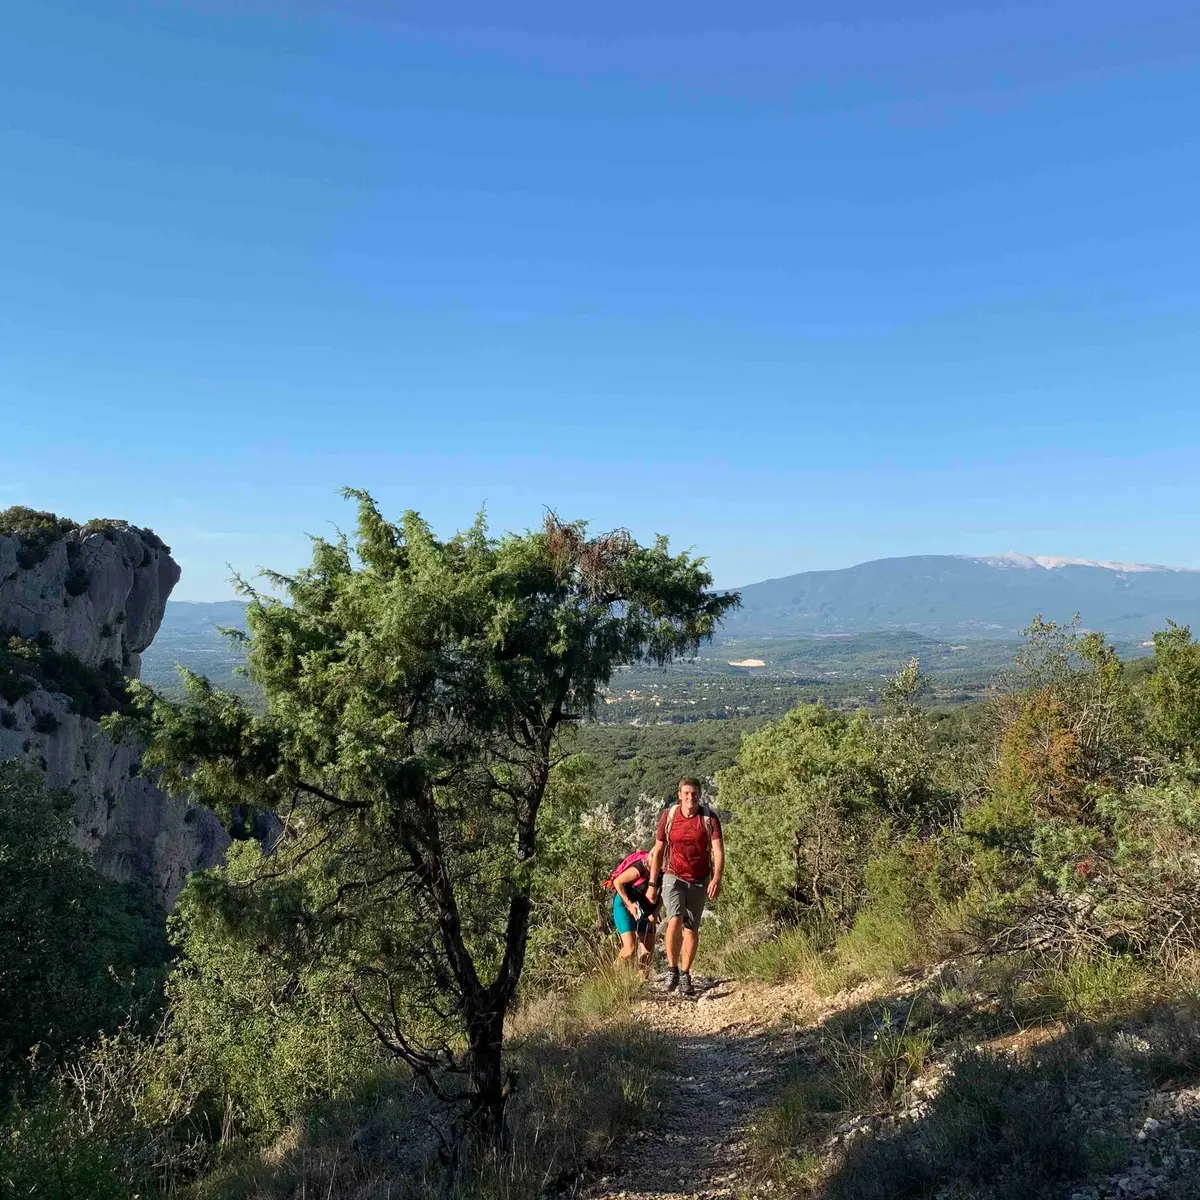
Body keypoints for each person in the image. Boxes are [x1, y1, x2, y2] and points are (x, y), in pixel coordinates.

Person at [646, 777, 724, 996]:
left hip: (699, 880)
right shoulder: (668, 817)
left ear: (700, 796)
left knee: (691, 928)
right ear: (679, 795)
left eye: (695, 794)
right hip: (673, 875)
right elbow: (659, 850)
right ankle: (672, 969)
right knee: (675, 919)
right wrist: (653, 884)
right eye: (687, 793)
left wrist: (716, 878)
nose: (691, 798)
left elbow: (718, 851)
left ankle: (685, 974)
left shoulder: (709, 819)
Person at [605, 848, 657, 974]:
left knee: (648, 946)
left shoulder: (662, 872)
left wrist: (655, 912)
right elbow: (618, 882)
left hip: (644, 905)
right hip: (624, 903)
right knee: (630, 948)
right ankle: (612, 975)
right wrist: (630, 904)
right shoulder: (639, 869)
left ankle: (642, 981)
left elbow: (658, 894)